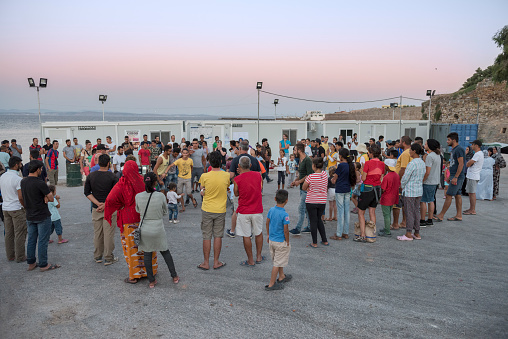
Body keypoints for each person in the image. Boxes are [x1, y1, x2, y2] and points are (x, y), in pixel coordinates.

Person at [103, 160, 156, 283]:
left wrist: (121, 205)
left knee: (132, 247)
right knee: (147, 246)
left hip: (128, 219)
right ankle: (150, 272)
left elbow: (110, 199)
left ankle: (134, 275)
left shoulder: (121, 183)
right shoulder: (143, 181)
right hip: (144, 218)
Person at [136, 172, 179, 288]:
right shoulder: (160, 196)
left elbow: (138, 210)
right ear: (155, 182)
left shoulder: (138, 196)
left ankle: (151, 281)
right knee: (165, 251)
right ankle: (174, 276)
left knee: (147, 254)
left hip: (145, 228)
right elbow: (165, 212)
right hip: (158, 227)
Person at [21, 160, 61, 272]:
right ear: (38, 169)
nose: (42, 171)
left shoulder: (23, 182)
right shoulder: (40, 183)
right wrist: (45, 197)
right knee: (43, 240)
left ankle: (31, 263)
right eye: (41, 169)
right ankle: (43, 264)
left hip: (30, 215)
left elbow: (21, 197)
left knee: (31, 240)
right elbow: (51, 198)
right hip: (42, 215)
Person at [197, 151, 230, 270]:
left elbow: (202, 189)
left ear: (209, 162)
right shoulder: (226, 175)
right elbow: (227, 186)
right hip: (220, 210)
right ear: (221, 161)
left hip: (207, 209)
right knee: (218, 236)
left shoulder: (204, 176)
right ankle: (216, 262)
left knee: (206, 236)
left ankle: (206, 262)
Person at [84, 154, 119, 265]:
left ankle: (98, 256)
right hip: (109, 209)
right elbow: (116, 194)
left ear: (98, 162)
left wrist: (97, 203)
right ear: (108, 163)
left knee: (98, 233)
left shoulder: (91, 176)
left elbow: (87, 193)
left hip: (96, 208)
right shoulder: (113, 176)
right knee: (108, 234)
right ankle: (108, 257)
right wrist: (105, 204)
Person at [225, 141, 261, 238]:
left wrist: (226, 178)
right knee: (253, 211)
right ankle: (251, 232)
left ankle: (233, 231)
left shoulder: (236, 160)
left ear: (240, 148)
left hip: (240, 188)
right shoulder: (254, 160)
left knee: (236, 210)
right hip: (253, 189)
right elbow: (260, 174)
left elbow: (231, 175)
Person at [234, 156, 264, 266]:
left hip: (244, 210)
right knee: (258, 232)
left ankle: (250, 260)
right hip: (256, 209)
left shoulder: (237, 179)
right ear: (250, 165)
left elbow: (236, 193)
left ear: (239, 166)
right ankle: (259, 256)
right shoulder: (258, 175)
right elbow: (260, 188)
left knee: (246, 235)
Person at [397, 143, 426, 241]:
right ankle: (417, 233)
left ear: (414, 151)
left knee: (409, 211)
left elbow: (405, 177)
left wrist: (402, 185)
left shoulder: (412, 163)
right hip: (418, 190)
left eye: (410, 150)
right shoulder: (422, 162)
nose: (409, 152)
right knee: (416, 211)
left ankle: (408, 233)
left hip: (410, 190)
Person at [0, 156, 26, 262]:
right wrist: (25, 206)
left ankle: (10, 255)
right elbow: (20, 197)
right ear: (16, 165)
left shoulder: (3, 176)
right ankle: (20, 256)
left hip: (5, 207)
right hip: (16, 208)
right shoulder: (18, 179)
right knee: (20, 232)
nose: (21, 166)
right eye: (20, 164)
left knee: (9, 233)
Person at [356, 145, 384, 243]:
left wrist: (361, 170)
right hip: (377, 189)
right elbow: (381, 177)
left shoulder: (368, 163)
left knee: (361, 212)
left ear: (371, 153)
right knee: (372, 211)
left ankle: (363, 234)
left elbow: (363, 178)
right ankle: (372, 234)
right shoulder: (382, 164)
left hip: (367, 189)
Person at [265, 189, 292, 291]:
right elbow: (286, 230)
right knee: (276, 263)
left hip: (272, 241)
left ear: (275, 199)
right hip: (281, 242)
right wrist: (287, 241)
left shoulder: (271, 210)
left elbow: (267, 223)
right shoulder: (285, 215)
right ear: (287, 200)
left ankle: (282, 276)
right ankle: (271, 284)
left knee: (278, 259)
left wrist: (268, 234)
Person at [435, 133, 465, 222]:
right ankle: (459, 215)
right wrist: (450, 176)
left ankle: (441, 215)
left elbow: (461, 163)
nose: (447, 141)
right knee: (457, 195)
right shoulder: (455, 149)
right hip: (454, 175)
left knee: (448, 195)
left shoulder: (459, 149)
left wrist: (455, 177)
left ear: (454, 140)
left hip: (457, 176)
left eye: (448, 140)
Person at [330, 148, 356, 240]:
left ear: (340, 156)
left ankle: (338, 234)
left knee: (340, 211)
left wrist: (332, 180)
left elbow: (334, 178)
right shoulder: (351, 165)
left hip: (340, 189)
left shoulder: (341, 165)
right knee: (346, 211)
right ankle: (346, 232)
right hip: (347, 189)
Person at [302, 157, 329, 248]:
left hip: (311, 201)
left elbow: (304, 187)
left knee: (313, 221)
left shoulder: (310, 176)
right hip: (322, 201)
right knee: (319, 219)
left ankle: (314, 242)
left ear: (314, 166)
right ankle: (324, 240)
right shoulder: (325, 174)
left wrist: (310, 188)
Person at [289, 143, 313, 235]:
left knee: (301, 208)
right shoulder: (300, 160)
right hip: (302, 187)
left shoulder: (307, 160)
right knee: (306, 209)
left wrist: (299, 182)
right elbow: (302, 173)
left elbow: (309, 175)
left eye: (294, 150)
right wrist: (296, 180)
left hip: (306, 188)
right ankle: (310, 226)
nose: (294, 152)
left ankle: (298, 228)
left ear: (299, 150)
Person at [420, 139, 441, 227]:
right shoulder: (438, 155)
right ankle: (430, 219)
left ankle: (422, 220)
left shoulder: (429, 156)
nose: (424, 146)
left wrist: (422, 180)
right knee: (431, 200)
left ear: (429, 146)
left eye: (425, 144)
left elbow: (427, 171)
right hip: (435, 181)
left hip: (428, 182)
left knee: (423, 201)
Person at [378, 158, 399, 237]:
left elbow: (383, 189)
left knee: (386, 214)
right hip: (393, 197)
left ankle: (387, 231)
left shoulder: (387, 177)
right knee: (389, 213)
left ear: (387, 166)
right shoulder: (396, 175)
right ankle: (387, 227)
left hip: (386, 197)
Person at [394, 136, 412, 227]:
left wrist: (398, 180)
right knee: (405, 203)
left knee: (397, 203)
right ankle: (404, 222)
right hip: (407, 181)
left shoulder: (405, 153)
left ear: (404, 143)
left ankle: (396, 223)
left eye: (400, 142)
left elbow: (403, 168)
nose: (398, 144)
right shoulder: (410, 152)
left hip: (401, 181)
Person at [462, 140, 484, 216]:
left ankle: (472, 209)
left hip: (473, 175)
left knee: (472, 193)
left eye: (473, 145)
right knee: (470, 192)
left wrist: (468, 163)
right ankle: (471, 208)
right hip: (472, 175)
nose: (471, 146)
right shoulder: (477, 154)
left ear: (476, 145)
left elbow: (468, 163)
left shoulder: (478, 154)